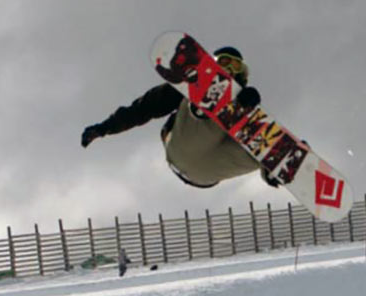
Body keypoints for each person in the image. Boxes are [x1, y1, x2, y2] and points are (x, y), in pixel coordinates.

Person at [81, 46, 279, 190]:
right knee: (207, 93)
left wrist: (270, 165)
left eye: (236, 65)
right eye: (224, 62)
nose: (230, 69)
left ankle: (274, 166)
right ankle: (202, 108)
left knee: (262, 142)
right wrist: (103, 128)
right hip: (182, 149)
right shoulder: (186, 87)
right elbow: (144, 108)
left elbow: (254, 139)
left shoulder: (246, 104)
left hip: (209, 172)